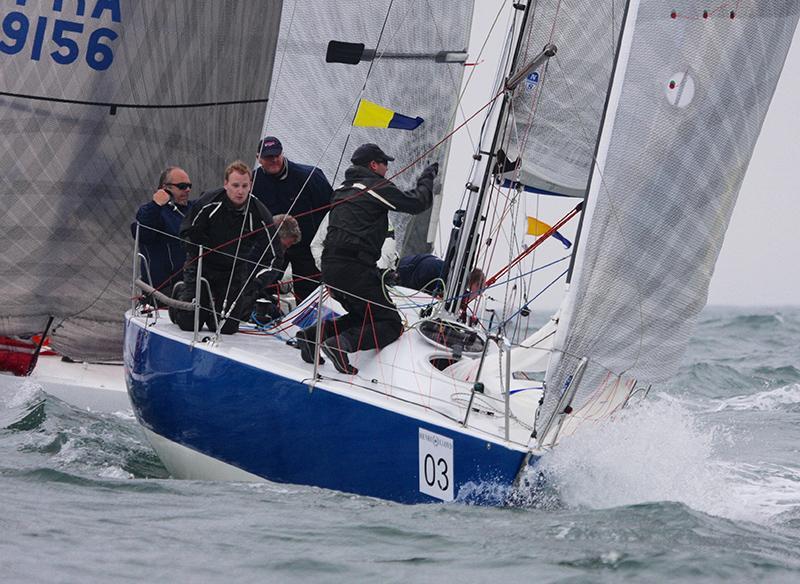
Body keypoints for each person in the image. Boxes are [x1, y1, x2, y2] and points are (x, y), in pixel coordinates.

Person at [296, 143, 438, 374]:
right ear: (373, 165)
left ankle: (312, 335)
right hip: (355, 268)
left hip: (331, 267)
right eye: (385, 164)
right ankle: (342, 345)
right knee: (391, 324)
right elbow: (417, 203)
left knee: (365, 316)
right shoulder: (374, 186)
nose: (387, 170)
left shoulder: (342, 189)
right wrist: (427, 177)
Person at [173, 161, 282, 335]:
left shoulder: (260, 214)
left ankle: (209, 311)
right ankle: (181, 293)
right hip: (202, 264)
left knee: (226, 329)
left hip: (233, 271)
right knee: (189, 324)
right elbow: (186, 230)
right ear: (226, 184)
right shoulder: (209, 202)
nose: (240, 191)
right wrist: (195, 246)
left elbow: (275, 255)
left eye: (244, 186)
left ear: (250, 186)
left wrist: (256, 283)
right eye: (235, 185)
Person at [251, 136, 333, 302]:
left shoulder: (310, 176)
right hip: (271, 248)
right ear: (258, 158)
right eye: (268, 157)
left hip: (306, 248)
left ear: (283, 153)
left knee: (309, 295)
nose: (274, 160)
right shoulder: (252, 181)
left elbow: (332, 210)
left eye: (277, 155)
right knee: (259, 289)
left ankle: (309, 326)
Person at [130, 166, 196, 292]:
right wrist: (156, 205)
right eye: (182, 186)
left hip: (193, 288)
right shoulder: (154, 213)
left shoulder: (194, 209)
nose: (187, 190)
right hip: (163, 292)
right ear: (166, 188)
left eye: (189, 186)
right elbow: (143, 234)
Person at [309, 213, 397, 272]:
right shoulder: (334, 214)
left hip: (373, 281)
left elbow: (385, 256)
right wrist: (327, 267)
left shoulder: (380, 218)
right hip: (336, 279)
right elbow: (316, 245)